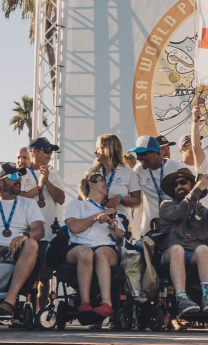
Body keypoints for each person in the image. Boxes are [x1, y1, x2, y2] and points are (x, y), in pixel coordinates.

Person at [0, 163, 44, 316]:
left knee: (31, 243)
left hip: (16, 250)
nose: (18, 179)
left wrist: (25, 236)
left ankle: (9, 301)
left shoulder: (28, 203)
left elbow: (39, 230)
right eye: (13, 176)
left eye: (19, 176)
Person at [159, 169, 208, 317]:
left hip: (195, 254)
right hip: (171, 254)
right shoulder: (166, 205)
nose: (178, 186)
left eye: (183, 182)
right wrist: (198, 188)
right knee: (177, 249)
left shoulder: (202, 211)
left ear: (192, 185)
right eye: (176, 185)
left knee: (204, 249)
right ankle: (181, 298)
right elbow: (181, 212)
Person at [64, 173, 125, 318]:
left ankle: (106, 303)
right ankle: (84, 302)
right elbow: (74, 228)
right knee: (86, 252)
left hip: (105, 247)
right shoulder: (77, 204)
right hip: (79, 245)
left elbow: (119, 238)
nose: (106, 183)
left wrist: (111, 223)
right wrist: (97, 217)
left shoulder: (111, 212)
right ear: (91, 184)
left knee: (101, 253)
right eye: (101, 180)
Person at [19, 137, 66, 311]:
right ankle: (19, 311)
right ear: (34, 152)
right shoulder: (22, 174)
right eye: (46, 151)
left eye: (51, 151)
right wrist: (38, 188)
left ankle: (41, 312)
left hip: (48, 234)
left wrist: (47, 182)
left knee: (45, 276)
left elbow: (60, 199)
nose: (49, 155)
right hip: (28, 233)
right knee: (24, 275)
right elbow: (19, 199)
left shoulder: (53, 175)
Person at [130, 136, 189, 238]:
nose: (138, 158)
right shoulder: (138, 169)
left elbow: (192, 197)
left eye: (142, 154)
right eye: (137, 154)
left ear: (155, 153)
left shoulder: (178, 168)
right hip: (150, 230)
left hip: (175, 228)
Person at [88, 134, 142, 224]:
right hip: (96, 222)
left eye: (97, 148)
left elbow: (137, 202)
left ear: (107, 150)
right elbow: (81, 198)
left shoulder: (128, 172)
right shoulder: (92, 172)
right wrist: (95, 199)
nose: (95, 152)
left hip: (120, 222)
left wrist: (120, 198)